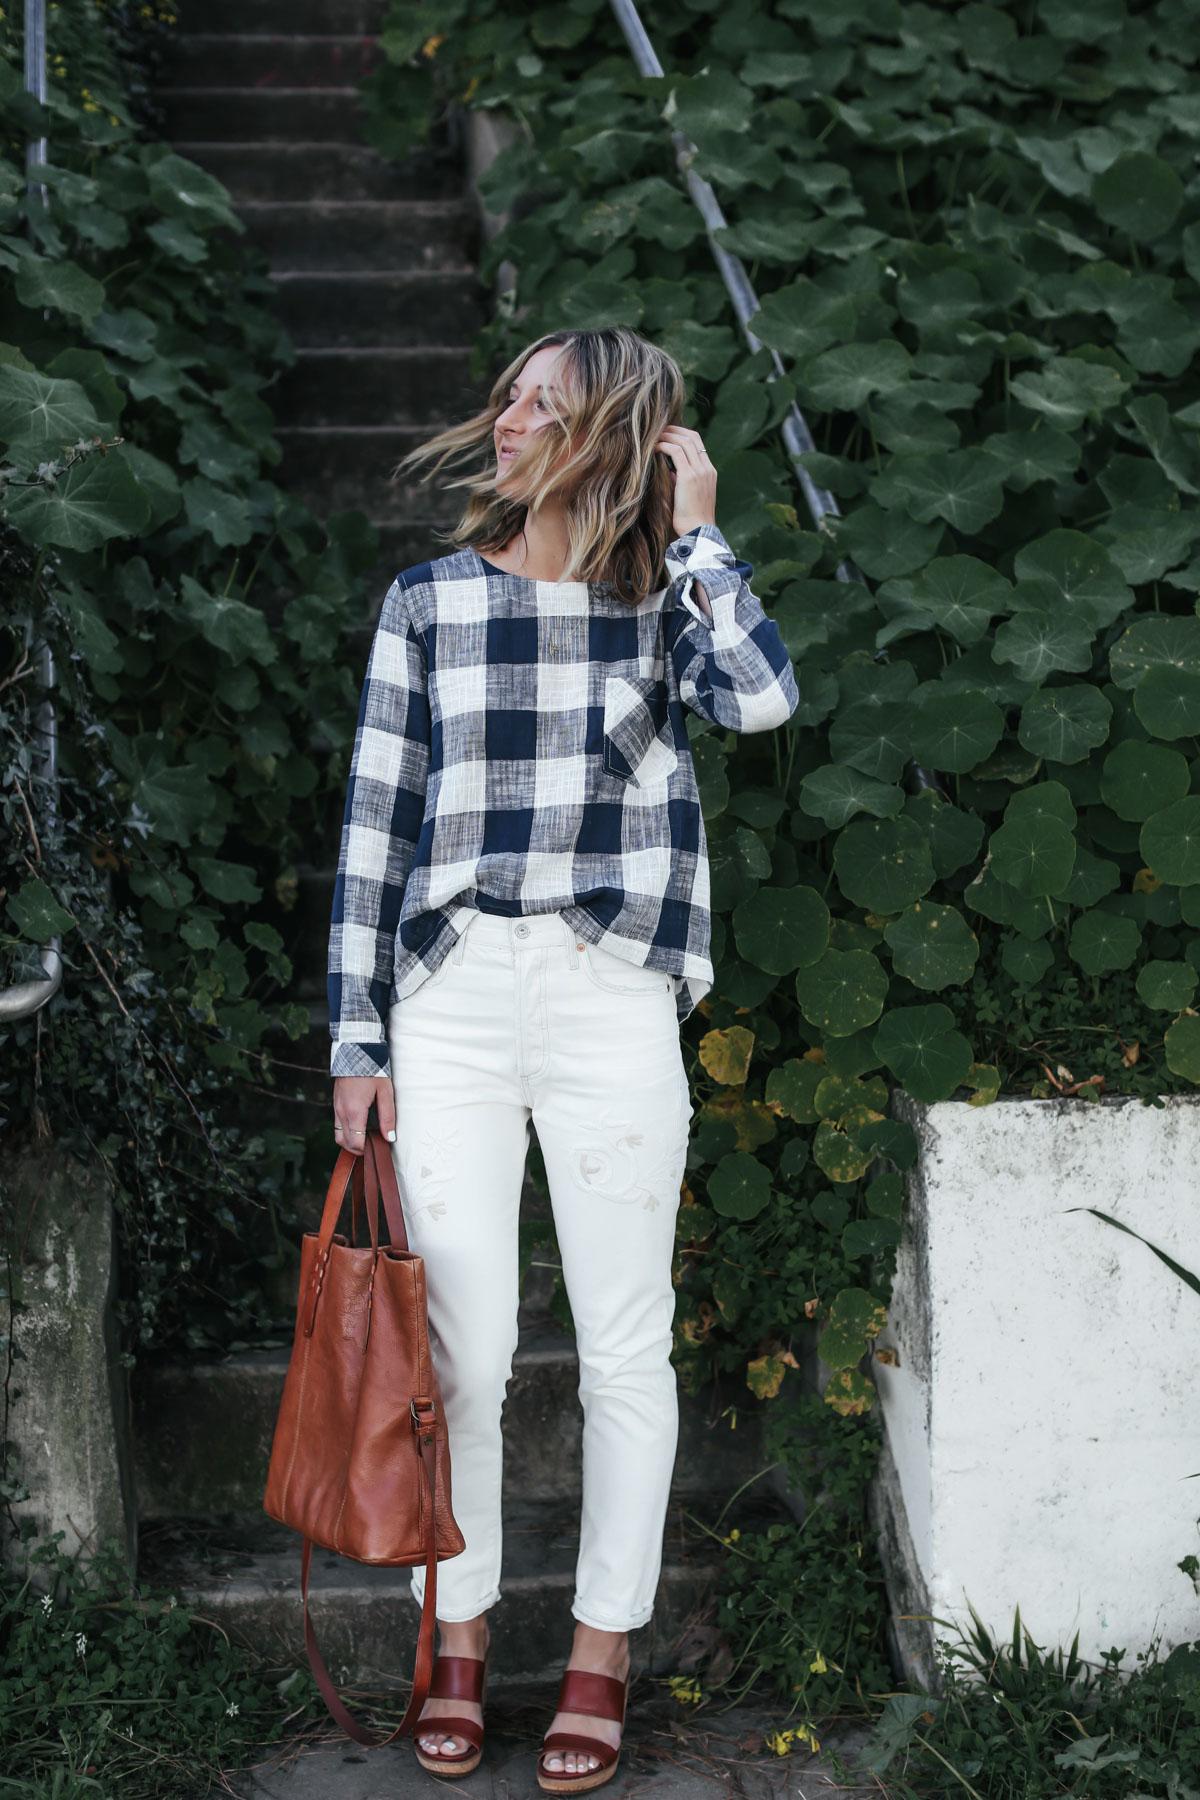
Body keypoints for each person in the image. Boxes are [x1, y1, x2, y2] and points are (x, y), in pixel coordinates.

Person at [327, 325, 798, 1792]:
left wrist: (701, 531)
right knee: (457, 1356)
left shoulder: (664, 608)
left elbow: (764, 700)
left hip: (609, 997)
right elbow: (371, 828)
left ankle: (601, 1654)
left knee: (621, 1350)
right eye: (510, 394)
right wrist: (355, 1038)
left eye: (546, 401)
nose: (511, 417)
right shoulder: (429, 602)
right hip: (453, 998)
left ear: (613, 434)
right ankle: (453, 1644)